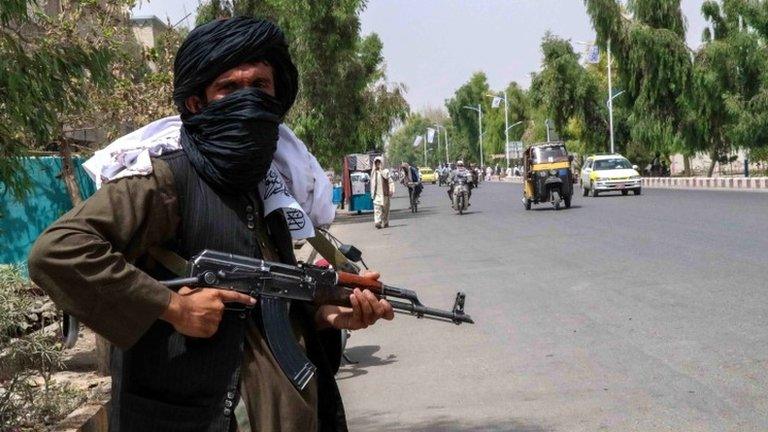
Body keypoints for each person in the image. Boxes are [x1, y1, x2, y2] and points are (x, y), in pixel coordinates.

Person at [28, 17, 394, 432]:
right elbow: (57, 251)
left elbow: (267, 299)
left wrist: (326, 315)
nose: (248, 101)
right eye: (230, 89)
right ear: (197, 103)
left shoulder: (266, 183)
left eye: (260, 86)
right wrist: (174, 307)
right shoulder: (164, 179)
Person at [370, 156, 392, 229]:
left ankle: (385, 222)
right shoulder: (373, 173)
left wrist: (391, 190)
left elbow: (390, 181)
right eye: (376, 163)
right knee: (377, 209)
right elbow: (372, 184)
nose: (378, 164)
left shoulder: (386, 171)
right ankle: (378, 222)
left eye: (379, 163)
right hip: (377, 194)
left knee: (385, 210)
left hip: (385, 194)